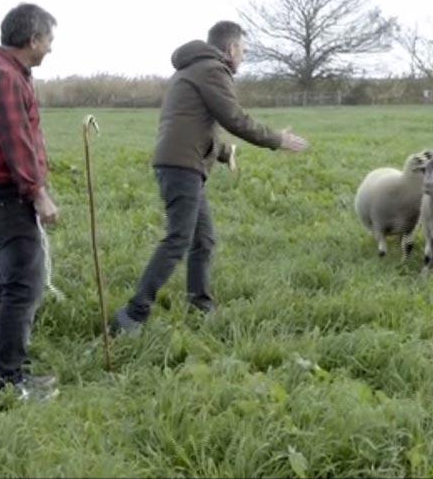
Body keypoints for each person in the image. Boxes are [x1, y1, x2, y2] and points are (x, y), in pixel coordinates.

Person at [112, 20, 308, 335]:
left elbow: (192, 124)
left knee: (203, 240)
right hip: (182, 167)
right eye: (243, 50)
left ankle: (200, 305)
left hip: (180, 163)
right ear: (230, 48)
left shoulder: (191, 70)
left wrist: (223, 153)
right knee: (178, 240)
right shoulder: (212, 70)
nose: (243, 57)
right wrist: (276, 139)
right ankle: (132, 316)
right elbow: (234, 118)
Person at [0, 3, 61, 401]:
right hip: (5, 198)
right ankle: (8, 383)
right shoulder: (4, 78)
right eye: (49, 40)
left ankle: (3, 372)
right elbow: (15, 142)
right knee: (23, 286)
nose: (51, 48)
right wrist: (38, 193)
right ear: (33, 39)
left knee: (8, 286)